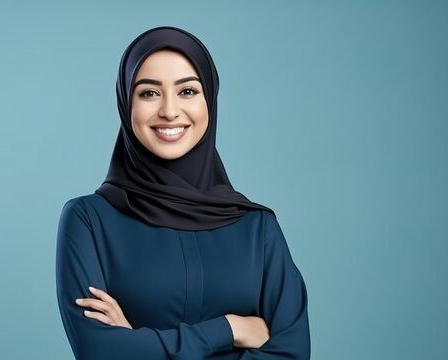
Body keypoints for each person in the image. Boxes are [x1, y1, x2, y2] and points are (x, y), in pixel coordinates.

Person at [56, 26, 310, 359]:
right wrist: (229, 329)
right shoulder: (88, 220)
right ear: (125, 102)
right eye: (149, 93)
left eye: (187, 91)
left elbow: (293, 353)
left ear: (210, 100)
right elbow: (98, 351)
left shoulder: (257, 228)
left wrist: (137, 342)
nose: (170, 111)